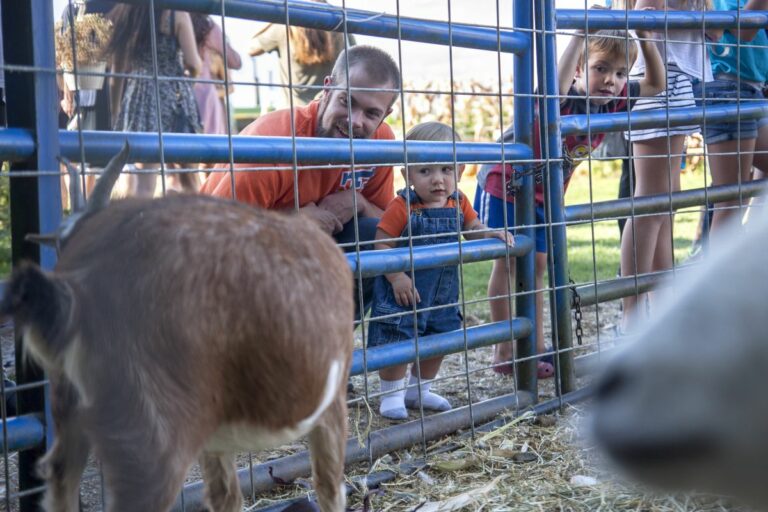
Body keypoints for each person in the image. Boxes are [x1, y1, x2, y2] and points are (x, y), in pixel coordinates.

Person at [475, 26, 664, 376]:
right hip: (506, 182)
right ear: (578, 69)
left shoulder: (615, 101)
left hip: (544, 194)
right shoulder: (562, 97)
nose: (610, 80)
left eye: (620, 73)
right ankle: (505, 351)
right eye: (600, 68)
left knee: (538, 265)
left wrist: (647, 42)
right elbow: (554, 91)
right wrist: (579, 36)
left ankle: (535, 347)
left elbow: (656, 84)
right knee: (508, 262)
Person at [201, 44, 401, 315]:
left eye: (371, 113)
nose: (355, 121)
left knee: (374, 235)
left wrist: (359, 202)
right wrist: (288, 224)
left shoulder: (380, 142)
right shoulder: (273, 143)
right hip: (243, 265)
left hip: (308, 260)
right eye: (347, 101)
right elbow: (210, 237)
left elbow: (387, 225)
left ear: (385, 115)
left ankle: (326, 337)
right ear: (328, 89)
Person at [368, 122, 515, 420]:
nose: (438, 179)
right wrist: (396, 277)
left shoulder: (458, 201)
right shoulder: (402, 206)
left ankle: (418, 390)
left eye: (446, 169)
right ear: (407, 174)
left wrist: (487, 232)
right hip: (404, 290)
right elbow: (382, 244)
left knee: (439, 337)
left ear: (460, 171)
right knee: (399, 337)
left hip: (442, 292)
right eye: (425, 171)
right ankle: (392, 394)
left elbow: (472, 227)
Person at [617, 0, 722, 332]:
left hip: (679, 81)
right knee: (650, 204)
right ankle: (632, 318)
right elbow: (643, 15)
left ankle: (663, 309)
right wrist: (688, 15)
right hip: (657, 77)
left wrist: (692, 14)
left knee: (665, 203)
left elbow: (716, 30)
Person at [106, 5, 202, 197]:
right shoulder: (177, 14)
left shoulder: (128, 14)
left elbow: (116, 73)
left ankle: (141, 217)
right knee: (189, 177)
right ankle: (192, 214)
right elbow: (194, 64)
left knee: (144, 183)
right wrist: (187, 85)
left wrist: (116, 111)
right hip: (175, 97)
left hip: (140, 97)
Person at [692, 0, 768, 237]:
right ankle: (719, 261)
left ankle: (747, 250)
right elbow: (743, 30)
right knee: (731, 200)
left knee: (734, 197)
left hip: (750, 88)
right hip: (727, 87)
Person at [248, 0, 354, 108]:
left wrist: (278, 15)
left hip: (293, 111)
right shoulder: (339, 21)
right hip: (327, 110)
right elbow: (356, 55)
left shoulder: (284, 25)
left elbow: (251, 48)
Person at [190, 14, 242, 135]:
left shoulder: (214, 57)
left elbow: (230, 87)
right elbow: (236, 62)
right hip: (201, 103)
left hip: (209, 106)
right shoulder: (210, 30)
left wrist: (213, 94)